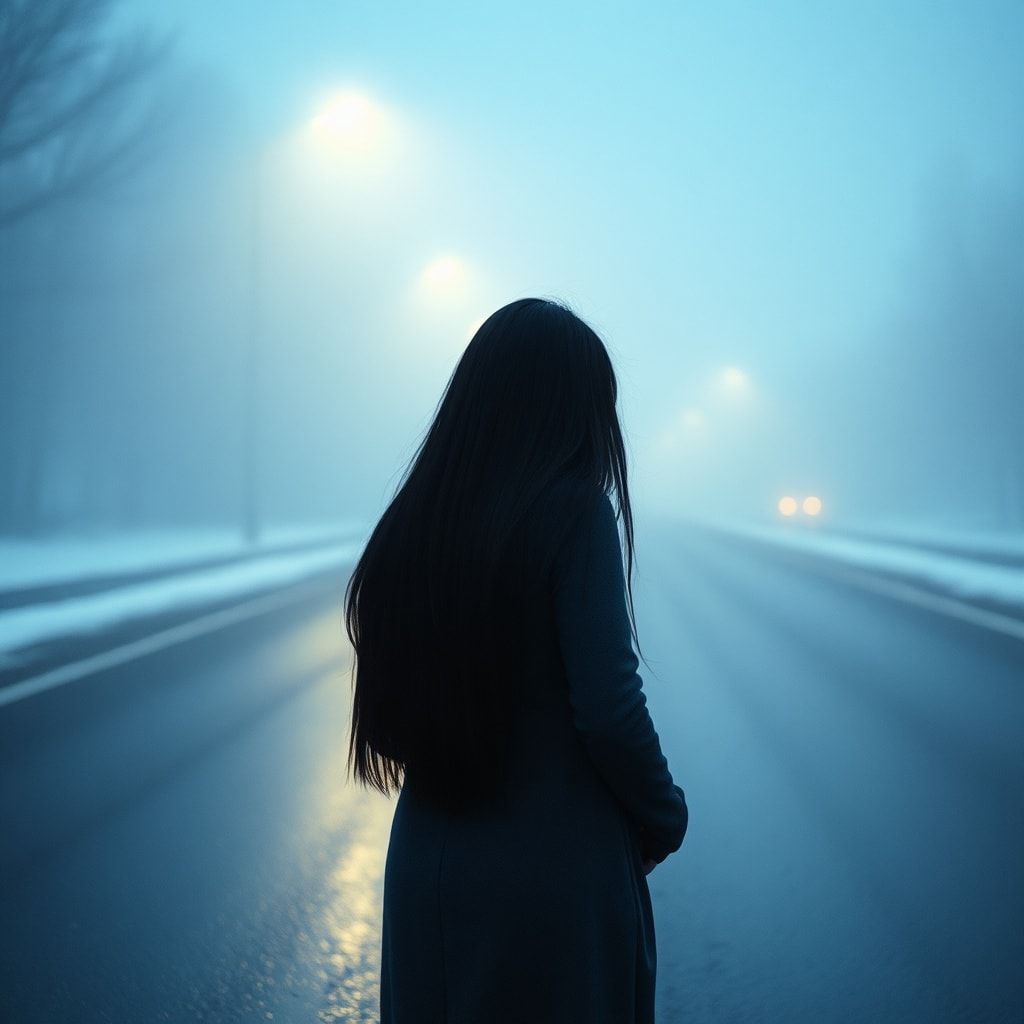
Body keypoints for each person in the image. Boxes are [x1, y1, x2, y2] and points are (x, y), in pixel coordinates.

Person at [343, 296, 688, 1024]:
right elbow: (610, 707)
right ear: (577, 410)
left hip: (428, 860)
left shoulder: (417, 520)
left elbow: (395, 710)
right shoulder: (575, 513)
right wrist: (663, 817)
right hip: (552, 875)